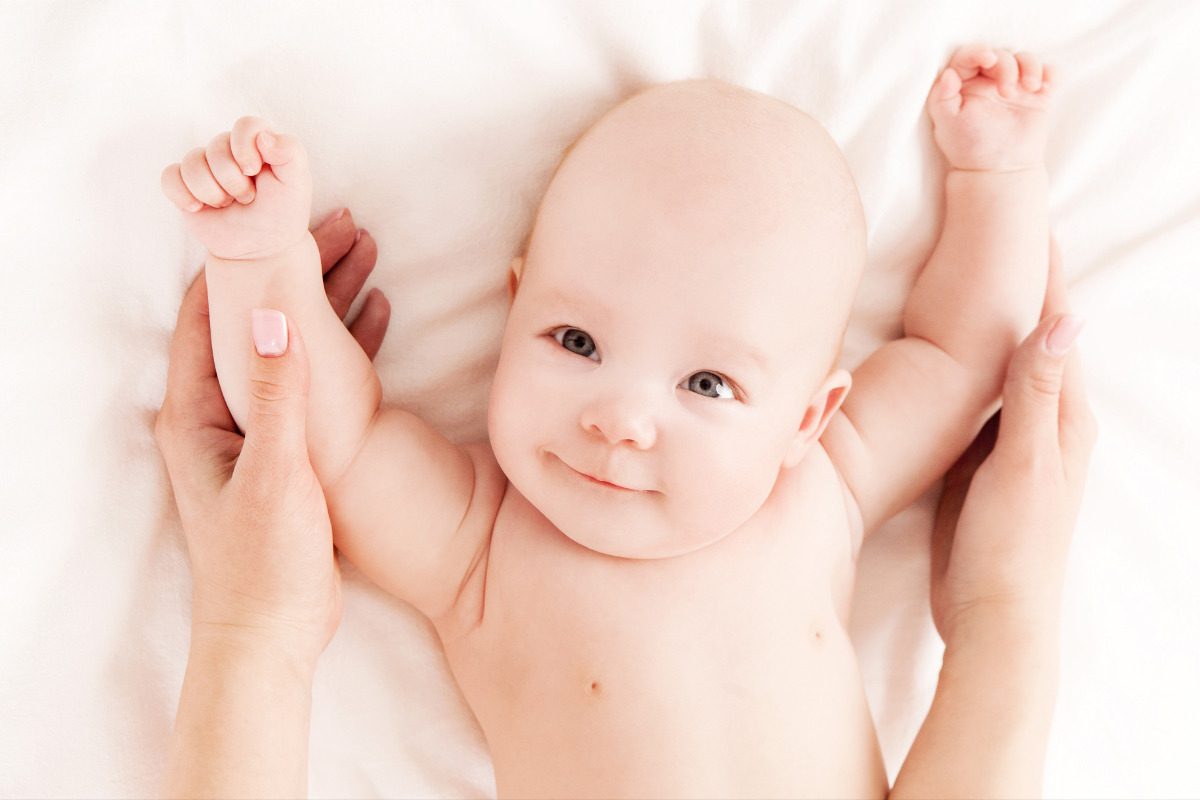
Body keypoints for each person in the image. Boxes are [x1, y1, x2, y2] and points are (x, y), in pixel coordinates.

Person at [159, 44, 1096, 797]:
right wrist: (257, 256)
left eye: (709, 385)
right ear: (514, 306)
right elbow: (322, 440)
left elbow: (961, 357)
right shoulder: (482, 541)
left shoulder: (825, 487)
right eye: (574, 339)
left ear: (808, 417)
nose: (621, 420)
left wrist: (998, 177)